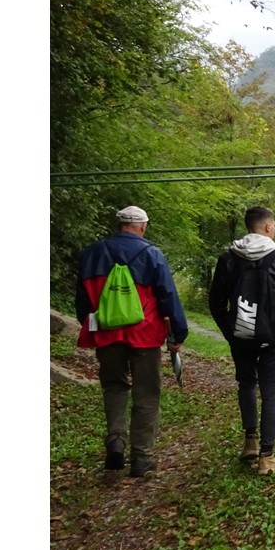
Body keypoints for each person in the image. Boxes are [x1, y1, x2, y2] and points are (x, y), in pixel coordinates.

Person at [75, 205, 190, 478]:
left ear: (119, 225)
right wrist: (177, 334)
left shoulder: (92, 253)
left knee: (114, 387)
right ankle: (142, 458)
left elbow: (82, 301)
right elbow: (168, 298)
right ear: (143, 226)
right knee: (146, 394)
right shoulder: (152, 254)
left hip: (107, 333)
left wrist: (90, 324)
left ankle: (116, 439)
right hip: (145, 335)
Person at [209, 206, 275, 476]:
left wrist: (230, 332)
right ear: (268, 228)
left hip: (241, 336)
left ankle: (250, 442)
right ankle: (267, 457)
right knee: (271, 393)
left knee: (246, 383)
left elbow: (216, 303)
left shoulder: (227, 258)